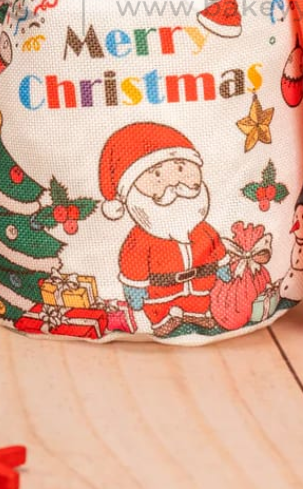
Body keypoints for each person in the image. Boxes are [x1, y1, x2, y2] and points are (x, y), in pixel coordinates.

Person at [98, 122, 231, 337]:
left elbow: (216, 246)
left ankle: (196, 315)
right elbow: (134, 261)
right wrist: (135, 286)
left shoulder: (202, 229)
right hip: (160, 291)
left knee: (199, 300)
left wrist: (223, 266)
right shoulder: (142, 239)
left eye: (180, 168)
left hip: (200, 285)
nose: (174, 186)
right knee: (158, 306)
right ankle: (161, 320)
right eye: (156, 176)